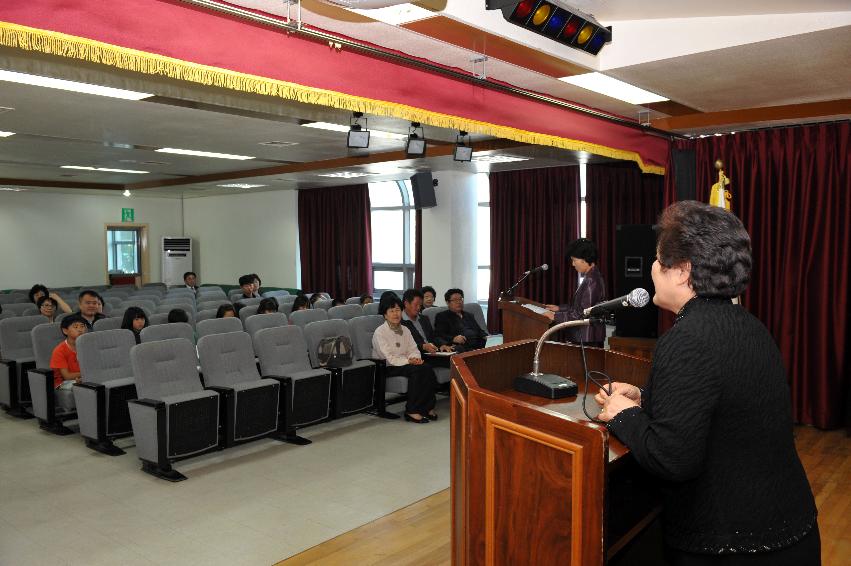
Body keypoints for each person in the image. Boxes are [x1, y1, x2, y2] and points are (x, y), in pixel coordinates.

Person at [595, 201, 818, 566]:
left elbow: (673, 457)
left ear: (682, 271)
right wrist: (645, 398)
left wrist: (625, 414)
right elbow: (724, 409)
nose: (652, 267)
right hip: (788, 530)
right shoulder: (747, 324)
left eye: (656, 258)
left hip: (734, 544)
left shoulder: (688, 337)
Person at [371, 296, 437, 423]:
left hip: (406, 363)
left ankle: (427, 407)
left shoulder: (405, 329)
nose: (396, 314)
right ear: (385, 315)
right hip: (387, 367)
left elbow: (413, 349)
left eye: (397, 310)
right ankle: (412, 410)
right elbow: (388, 357)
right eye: (391, 311)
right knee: (417, 371)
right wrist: (409, 361)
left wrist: (415, 359)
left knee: (427, 367)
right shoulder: (380, 332)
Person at [543, 238, 606, 347]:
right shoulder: (591, 276)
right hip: (585, 336)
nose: (573, 264)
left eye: (574, 260)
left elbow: (582, 313)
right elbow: (579, 307)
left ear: (584, 259)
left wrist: (555, 316)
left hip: (587, 339)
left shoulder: (592, 281)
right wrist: (559, 308)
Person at [400, 289, 453, 361]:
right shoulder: (399, 321)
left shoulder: (424, 318)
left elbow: (433, 337)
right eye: (416, 305)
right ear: (406, 303)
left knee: (457, 356)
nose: (418, 308)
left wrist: (442, 345)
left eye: (420, 305)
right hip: (417, 356)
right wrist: (423, 346)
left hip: (433, 353)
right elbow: (403, 345)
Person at [49, 314, 88, 412]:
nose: (80, 329)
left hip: (83, 377)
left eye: (82, 326)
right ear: (65, 330)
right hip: (63, 382)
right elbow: (66, 376)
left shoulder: (88, 345)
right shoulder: (59, 350)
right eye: (75, 327)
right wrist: (87, 374)